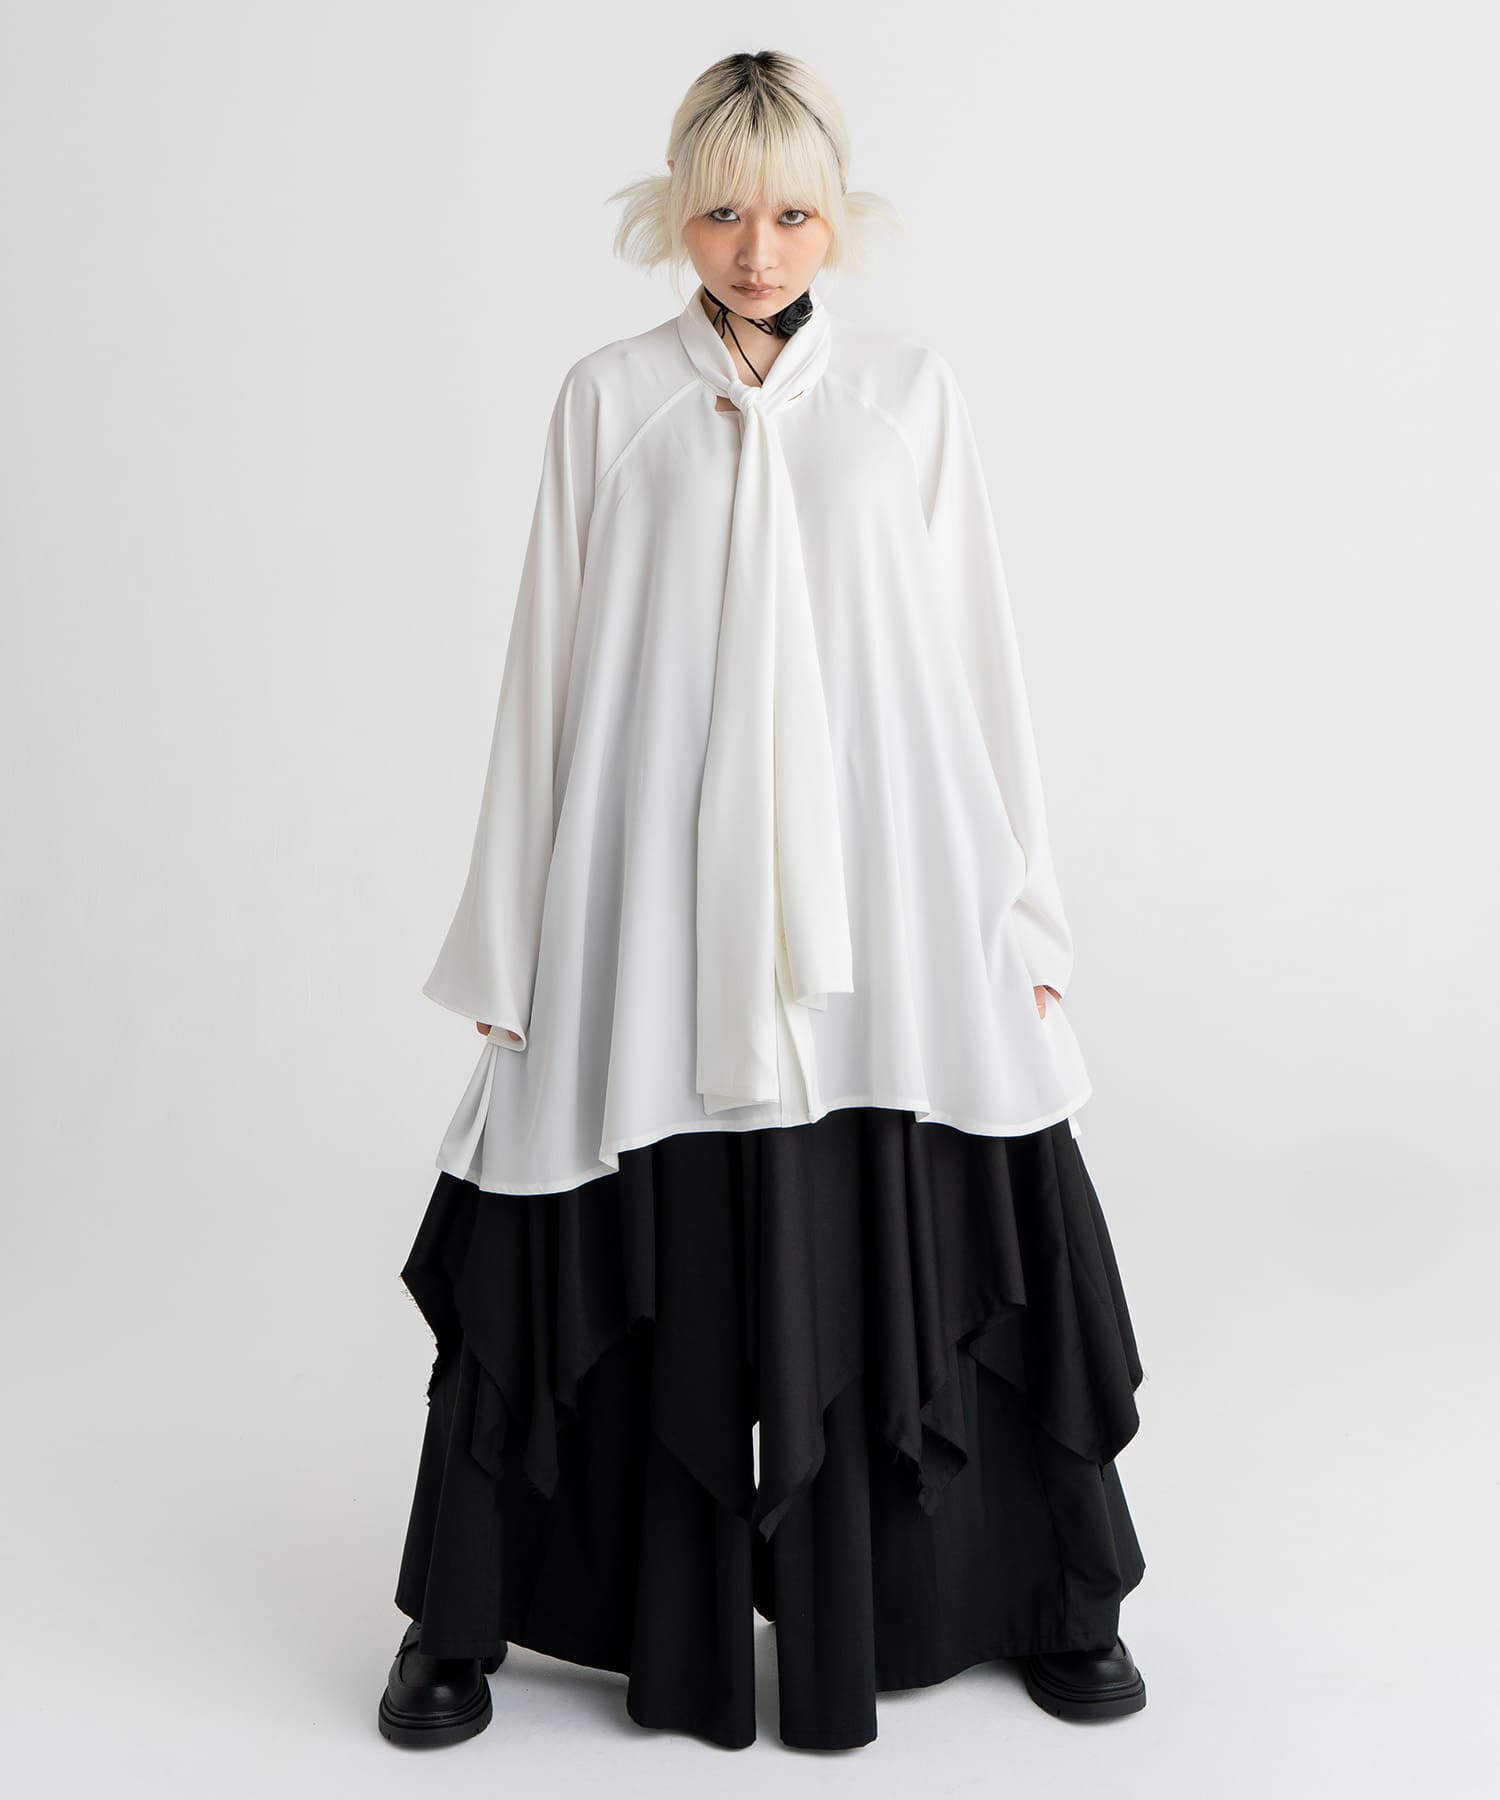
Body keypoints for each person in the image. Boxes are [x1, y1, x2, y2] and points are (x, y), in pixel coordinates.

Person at [377, 48, 1150, 1753]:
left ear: (837, 218)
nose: (756, 249)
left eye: (792, 214)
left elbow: (978, 664)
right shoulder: (607, 400)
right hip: (654, 880)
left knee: (953, 1195)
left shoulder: (910, 397)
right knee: (563, 1202)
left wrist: (1027, 920)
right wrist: (508, 937)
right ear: (676, 211)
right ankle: (467, 1617)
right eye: (724, 212)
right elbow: (546, 668)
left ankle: (1040, 1590)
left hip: (889, 883)